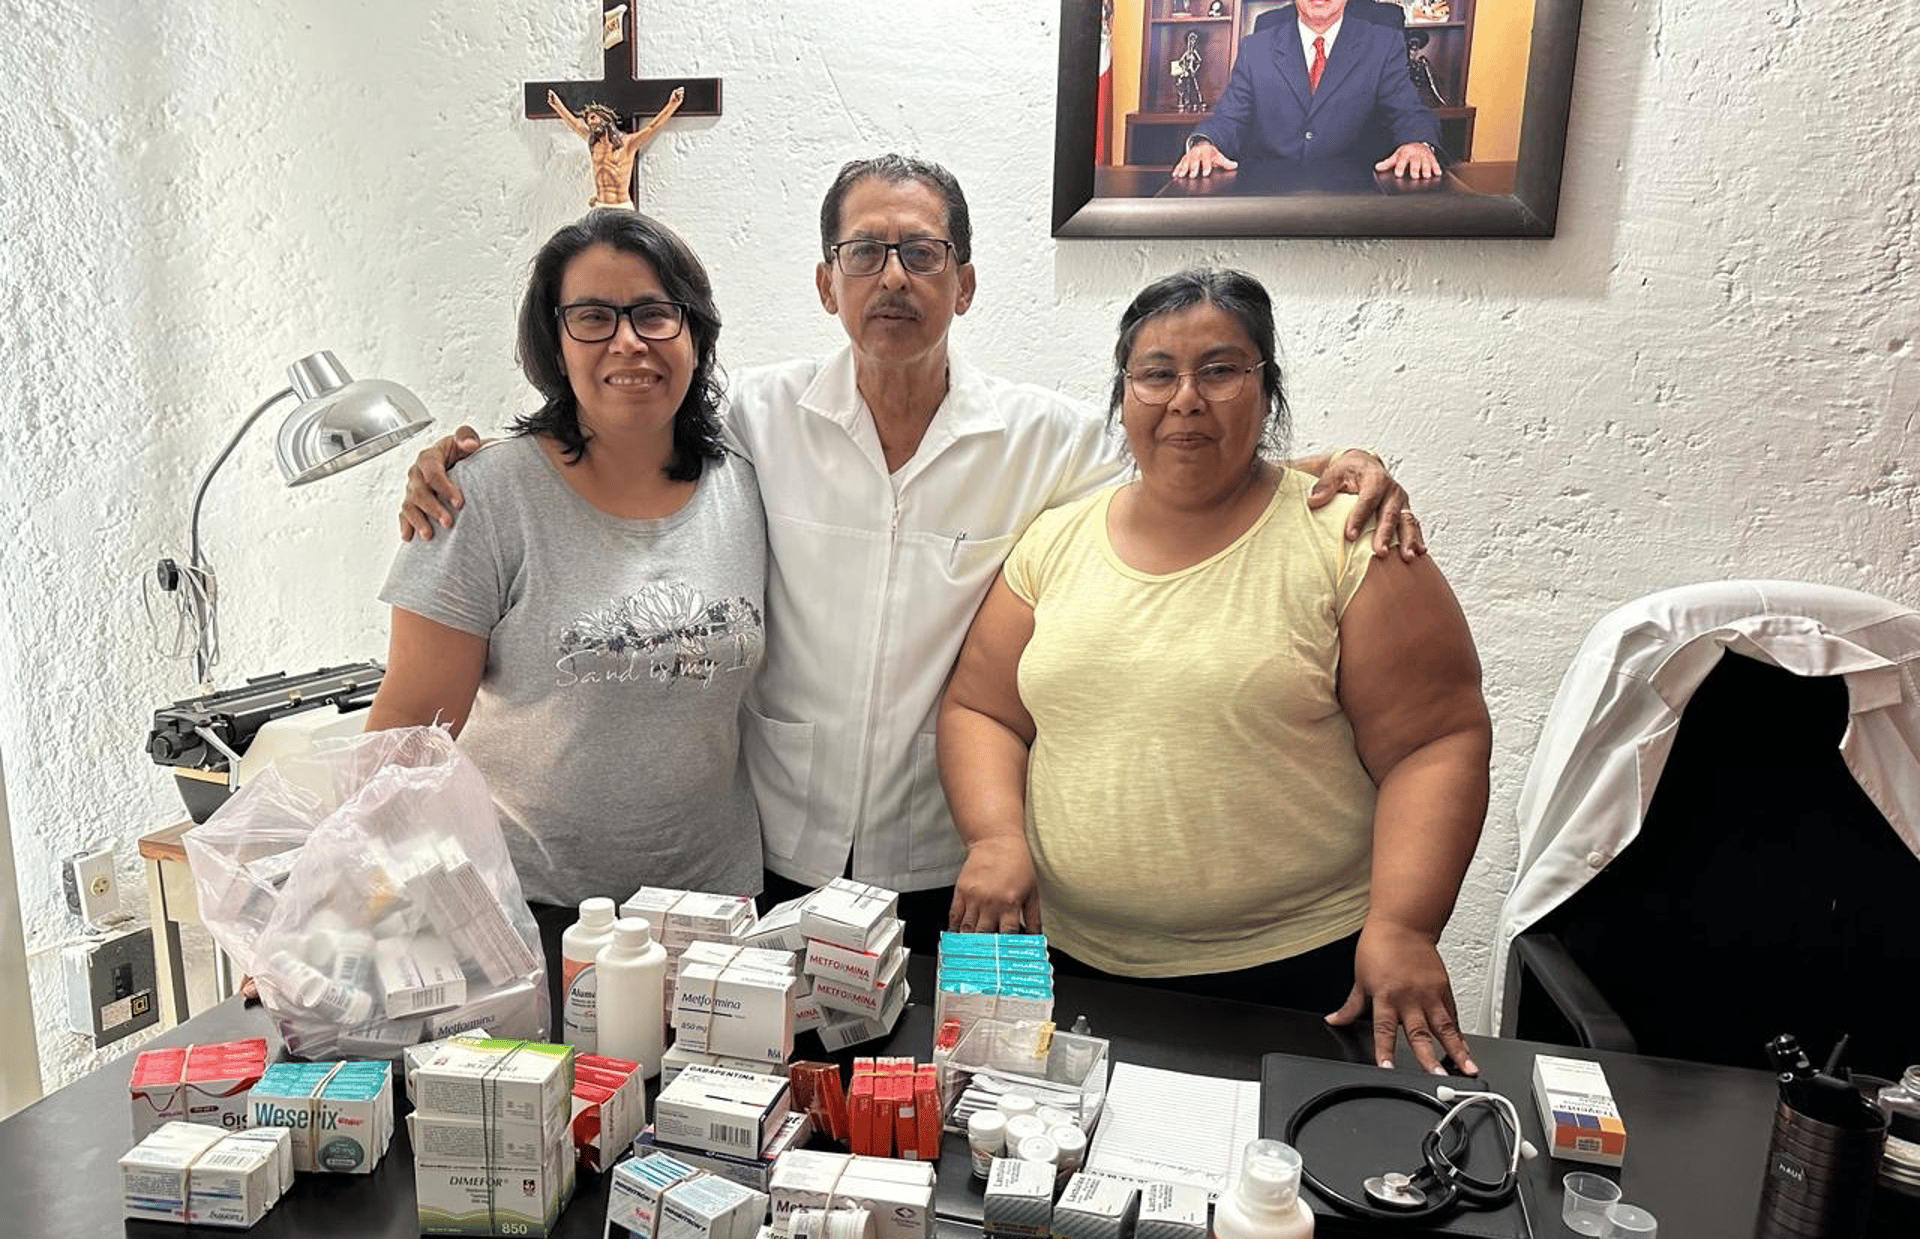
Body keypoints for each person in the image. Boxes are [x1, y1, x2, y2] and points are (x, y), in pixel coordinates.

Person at [398, 156, 1423, 950]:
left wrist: (1330, 467)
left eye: (921, 253)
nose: (892, 277)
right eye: (864, 253)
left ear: (965, 283)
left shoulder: (1051, 439)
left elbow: (1187, 443)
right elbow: (620, 415)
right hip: (775, 859)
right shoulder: (752, 418)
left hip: (954, 863)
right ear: (825, 282)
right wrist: (471, 456)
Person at [938, 267, 1490, 1074]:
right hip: (1068, 963)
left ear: (1267, 391)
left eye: (1221, 370)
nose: (1185, 398)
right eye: (1157, 373)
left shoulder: (1349, 539)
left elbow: (1437, 742)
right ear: (1123, 396)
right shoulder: (1055, 539)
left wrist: (1406, 925)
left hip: (1295, 975)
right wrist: (993, 838)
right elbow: (981, 708)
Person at [366, 209, 767, 925]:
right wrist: (346, 905)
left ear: (695, 332)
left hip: (717, 912)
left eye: (654, 313)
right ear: (554, 340)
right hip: (532, 909)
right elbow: (406, 732)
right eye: (592, 317)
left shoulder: (747, 480)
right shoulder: (480, 496)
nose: (627, 341)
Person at [1170, 0, 1443, 182]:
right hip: (1272, 194)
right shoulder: (1256, 48)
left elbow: (1407, 111)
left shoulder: (1382, 43)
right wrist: (1205, 144)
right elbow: (1230, 117)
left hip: (1353, 195)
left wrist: (1417, 143)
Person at [549, 87, 685, 209]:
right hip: (600, 206)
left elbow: (652, 127)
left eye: (593, 118)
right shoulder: (594, 143)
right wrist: (557, 105)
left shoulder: (628, 142)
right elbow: (575, 125)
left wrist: (672, 104)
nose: (590, 123)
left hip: (622, 205)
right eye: (588, 121)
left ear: (605, 118)